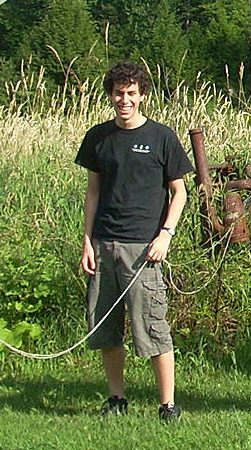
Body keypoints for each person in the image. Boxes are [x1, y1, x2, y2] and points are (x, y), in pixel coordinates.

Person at [76, 61, 193, 421]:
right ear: (110, 96)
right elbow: (93, 192)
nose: (123, 100)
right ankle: (116, 399)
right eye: (118, 93)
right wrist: (87, 241)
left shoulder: (162, 138)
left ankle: (167, 404)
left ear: (141, 96)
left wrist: (165, 235)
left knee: (154, 328)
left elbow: (180, 193)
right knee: (105, 329)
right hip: (104, 245)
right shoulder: (99, 137)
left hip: (144, 249)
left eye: (130, 93)